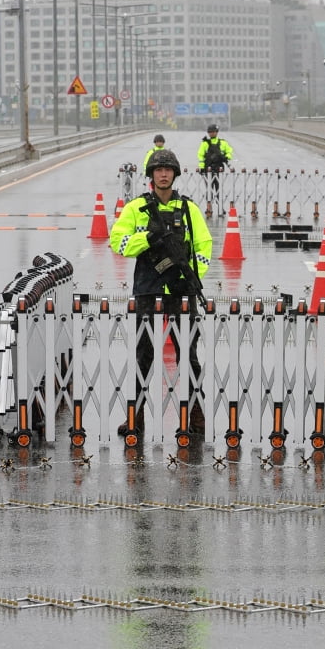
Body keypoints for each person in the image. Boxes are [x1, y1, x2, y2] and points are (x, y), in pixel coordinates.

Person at [109, 148, 213, 437]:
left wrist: (192, 277)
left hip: (182, 289)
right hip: (147, 289)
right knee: (144, 354)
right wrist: (147, 238)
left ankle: (196, 413)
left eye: (168, 170)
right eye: (158, 170)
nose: (163, 174)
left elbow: (204, 248)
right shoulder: (135, 208)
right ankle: (136, 416)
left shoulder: (189, 209)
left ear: (175, 174)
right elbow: (117, 242)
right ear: (151, 175)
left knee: (188, 355)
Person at [197, 123, 234, 197]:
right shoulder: (205, 143)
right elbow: (200, 155)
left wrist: (227, 157)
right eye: (210, 132)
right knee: (209, 190)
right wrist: (201, 167)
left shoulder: (223, 142)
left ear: (217, 132)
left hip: (218, 168)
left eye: (213, 132)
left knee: (218, 189)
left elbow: (229, 151)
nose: (211, 133)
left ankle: (220, 206)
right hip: (208, 168)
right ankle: (209, 207)